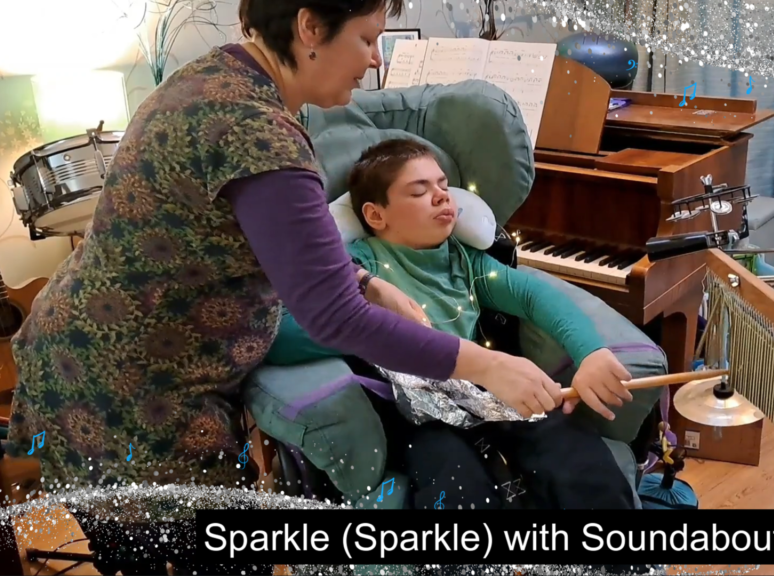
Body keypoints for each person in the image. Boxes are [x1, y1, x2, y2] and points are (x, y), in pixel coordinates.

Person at [4, 0, 561, 512]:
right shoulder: (258, 133)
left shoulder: (218, 77)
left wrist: (368, 282)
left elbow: (286, 235)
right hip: (129, 387)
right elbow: (333, 317)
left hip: (85, 350)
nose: (373, 60)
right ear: (310, 28)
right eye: (367, 39)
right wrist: (488, 364)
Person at [268, 139, 638, 511]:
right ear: (377, 215)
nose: (442, 197)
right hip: (413, 418)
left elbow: (537, 297)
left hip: (490, 393)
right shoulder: (362, 266)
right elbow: (281, 333)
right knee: (455, 483)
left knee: (576, 455)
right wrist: (370, 314)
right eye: (419, 190)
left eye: (444, 186)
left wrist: (591, 352)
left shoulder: (471, 265)